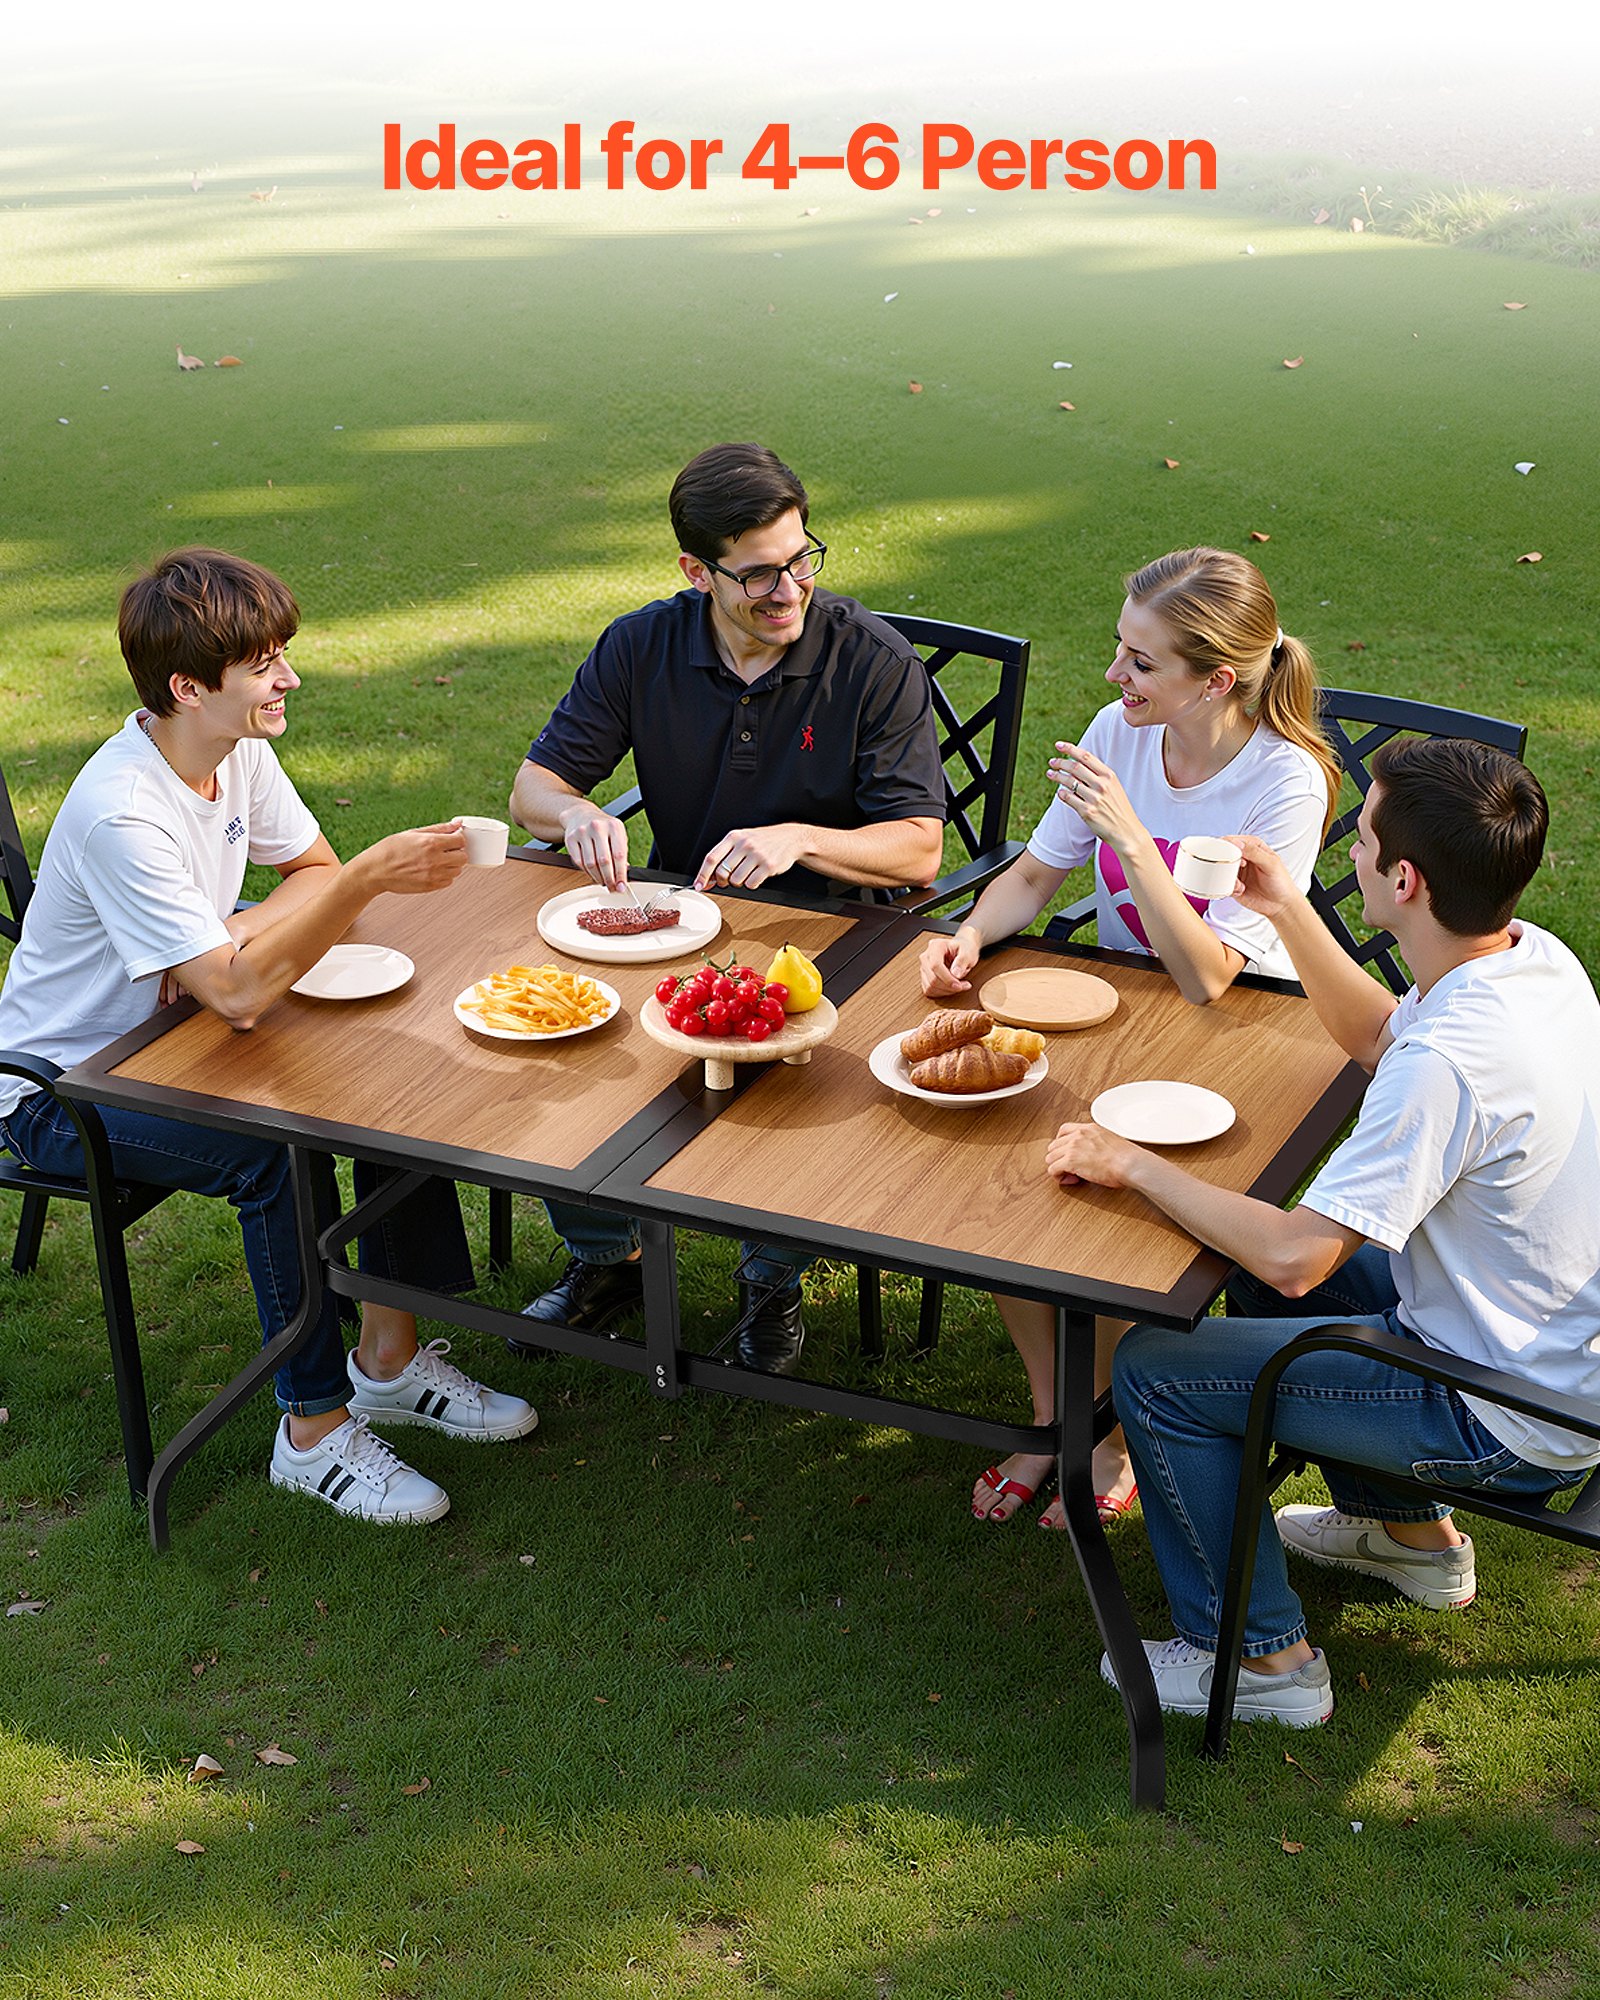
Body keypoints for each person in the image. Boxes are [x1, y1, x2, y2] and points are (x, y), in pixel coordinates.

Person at [1043, 736, 1600, 1727]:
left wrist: (1129, 1163)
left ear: (1405, 877)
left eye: (1362, 831)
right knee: (1241, 1271)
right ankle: (1406, 1536)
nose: (1345, 846)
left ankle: (1261, 1661)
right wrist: (1289, 908)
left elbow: (1301, 1256)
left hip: (1499, 1412)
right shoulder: (1531, 961)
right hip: (1545, 1345)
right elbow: (1381, 1036)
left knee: (1159, 1367)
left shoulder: (1454, 1063)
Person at [0, 548, 538, 1523]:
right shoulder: (127, 809)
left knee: (380, 1080)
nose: (288, 678)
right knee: (273, 1152)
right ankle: (312, 1430)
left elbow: (304, 870)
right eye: (265, 664)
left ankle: (387, 1355)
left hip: (178, 1039)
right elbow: (250, 984)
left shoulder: (232, 749)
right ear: (187, 686)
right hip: (63, 1087)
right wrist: (358, 884)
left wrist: (226, 937)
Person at [919, 547, 1341, 1529]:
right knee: (1012, 1167)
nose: (1115, 677)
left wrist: (1124, 830)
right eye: (1120, 650)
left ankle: (1104, 1430)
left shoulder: (1288, 781)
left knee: (1108, 1198)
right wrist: (969, 933)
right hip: (1123, 1020)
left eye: (1141, 662)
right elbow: (1033, 874)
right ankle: (1055, 1413)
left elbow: (1210, 974)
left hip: (1241, 1042)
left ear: (1216, 679)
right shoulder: (1123, 728)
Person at [509, 441, 947, 1374]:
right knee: (573, 1045)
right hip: (681, 922)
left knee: (801, 1073)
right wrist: (577, 809)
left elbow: (919, 845)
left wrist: (801, 837)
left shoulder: (872, 661)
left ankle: (771, 1278)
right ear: (695, 572)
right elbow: (534, 789)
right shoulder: (641, 646)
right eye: (757, 575)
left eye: (801, 560)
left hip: (836, 936)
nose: (787, 589)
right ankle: (605, 1258)